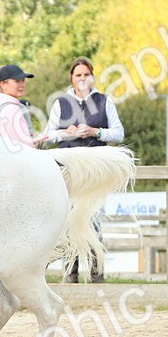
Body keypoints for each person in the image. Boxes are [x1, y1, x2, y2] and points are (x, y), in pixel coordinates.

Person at [46, 57, 125, 282]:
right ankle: (70, 272)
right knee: (69, 221)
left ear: (92, 77)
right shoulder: (60, 102)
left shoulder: (104, 101)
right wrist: (66, 133)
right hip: (70, 168)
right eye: (78, 75)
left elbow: (119, 133)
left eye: (86, 74)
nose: (82, 78)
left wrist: (96, 132)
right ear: (71, 78)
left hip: (95, 170)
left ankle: (96, 273)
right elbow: (47, 135)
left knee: (94, 220)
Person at [0, 64, 48, 147]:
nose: (22, 85)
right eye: (17, 81)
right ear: (3, 84)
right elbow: (20, 147)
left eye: (23, 80)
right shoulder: (11, 109)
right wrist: (33, 142)